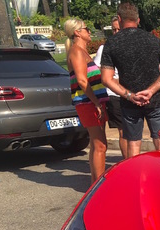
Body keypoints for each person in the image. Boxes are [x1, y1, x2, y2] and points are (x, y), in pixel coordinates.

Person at [100, 2, 160, 158]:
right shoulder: (153, 40)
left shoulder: (112, 43)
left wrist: (131, 95)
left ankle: (135, 178)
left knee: (133, 144)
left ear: (119, 19)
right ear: (138, 20)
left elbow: (106, 79)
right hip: (155, 99)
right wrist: (151, 91)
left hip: (129, 102)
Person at [64, 19, 109, 184]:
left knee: (97, 144)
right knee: (100, 145)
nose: (89, 32)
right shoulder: (76, 51)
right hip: (88, 102)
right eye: (87, 29)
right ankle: (98, 186)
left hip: (93, 102)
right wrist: (96, 102)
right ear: (77, 32)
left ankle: (94, 183)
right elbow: (82, 81)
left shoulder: (81, 51)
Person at [93, 16, 128, 158]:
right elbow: (96, 71)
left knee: (132, 131)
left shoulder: (132, 45)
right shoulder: (104, 48)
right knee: (124, 131)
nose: (116, 32)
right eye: (113, 29)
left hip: (131, 93)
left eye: (119, 29)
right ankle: (128, 164)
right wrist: (114, 79)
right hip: (114, 94)